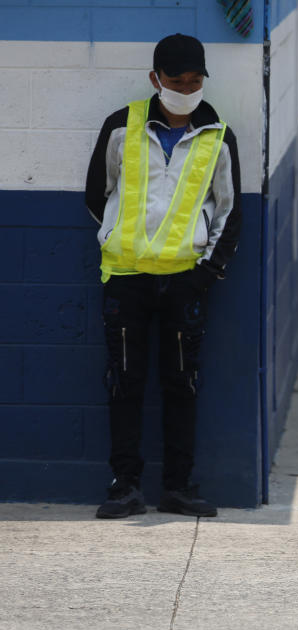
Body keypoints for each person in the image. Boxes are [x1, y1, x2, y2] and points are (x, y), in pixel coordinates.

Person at [85, 34, 242, 519]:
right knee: (124, 382)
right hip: (126, 278)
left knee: (182, 384)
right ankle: (125, 487)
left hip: (185, 283)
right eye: (177, 81)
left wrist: (206, 272)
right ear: (156, 80)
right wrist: (119, 239)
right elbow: (97, 194)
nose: (187, 89)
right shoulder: (121, 126)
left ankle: (178, 487)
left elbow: (229, 212)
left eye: (195, 81)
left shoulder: (218, 134)